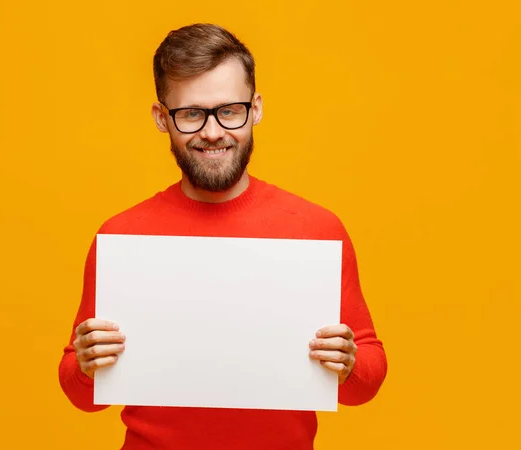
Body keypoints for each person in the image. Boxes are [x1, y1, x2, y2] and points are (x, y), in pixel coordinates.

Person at [58, 22, 387, 450]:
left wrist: (349, 362)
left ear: (256, 108)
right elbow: (80, 392)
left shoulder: (316, 230)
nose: (212, 131)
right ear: (162, 118)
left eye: (228, 110)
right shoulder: (122, 236)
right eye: (192, 113)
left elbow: (365, 383)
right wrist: (86, 363)